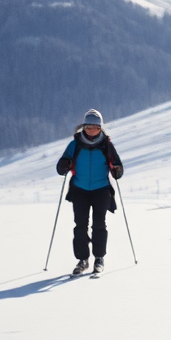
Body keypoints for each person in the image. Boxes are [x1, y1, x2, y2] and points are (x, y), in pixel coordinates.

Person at [56, 109, 124, 276]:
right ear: (83, 127)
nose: (91, 130)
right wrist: (63, 165)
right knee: (80, 226)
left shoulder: (107, 145)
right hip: (80, 190)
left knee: (99, 225)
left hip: (101, 189)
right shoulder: (75, 144)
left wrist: (117, 171)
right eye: (88, 127)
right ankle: (83, 260)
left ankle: (99, 258)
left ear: (100, 128)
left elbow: (118, 165)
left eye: (94, 127)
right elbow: (61, 164)